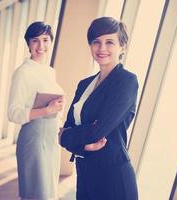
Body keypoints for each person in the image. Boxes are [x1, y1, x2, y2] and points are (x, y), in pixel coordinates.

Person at [59, 17, 139, 200]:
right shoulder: (84, 84)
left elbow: (99, 130)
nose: (102, 48)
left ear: (122, 47)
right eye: (96, 42)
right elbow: (70, 123)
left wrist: (64, 137)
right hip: (85, 172)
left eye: (109, 42)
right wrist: (80, 142)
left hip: (113, 175)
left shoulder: (126, 81)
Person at [8, 22, 64, 200]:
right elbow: (13, 112)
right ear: (28, 44)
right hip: (34, 137)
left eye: (45, 40)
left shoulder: (49, 71)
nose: (41, 46)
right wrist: (46, 110)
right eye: (35, 40)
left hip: (51, 137)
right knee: (37, 194)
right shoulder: (23, 72)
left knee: (49, 192)